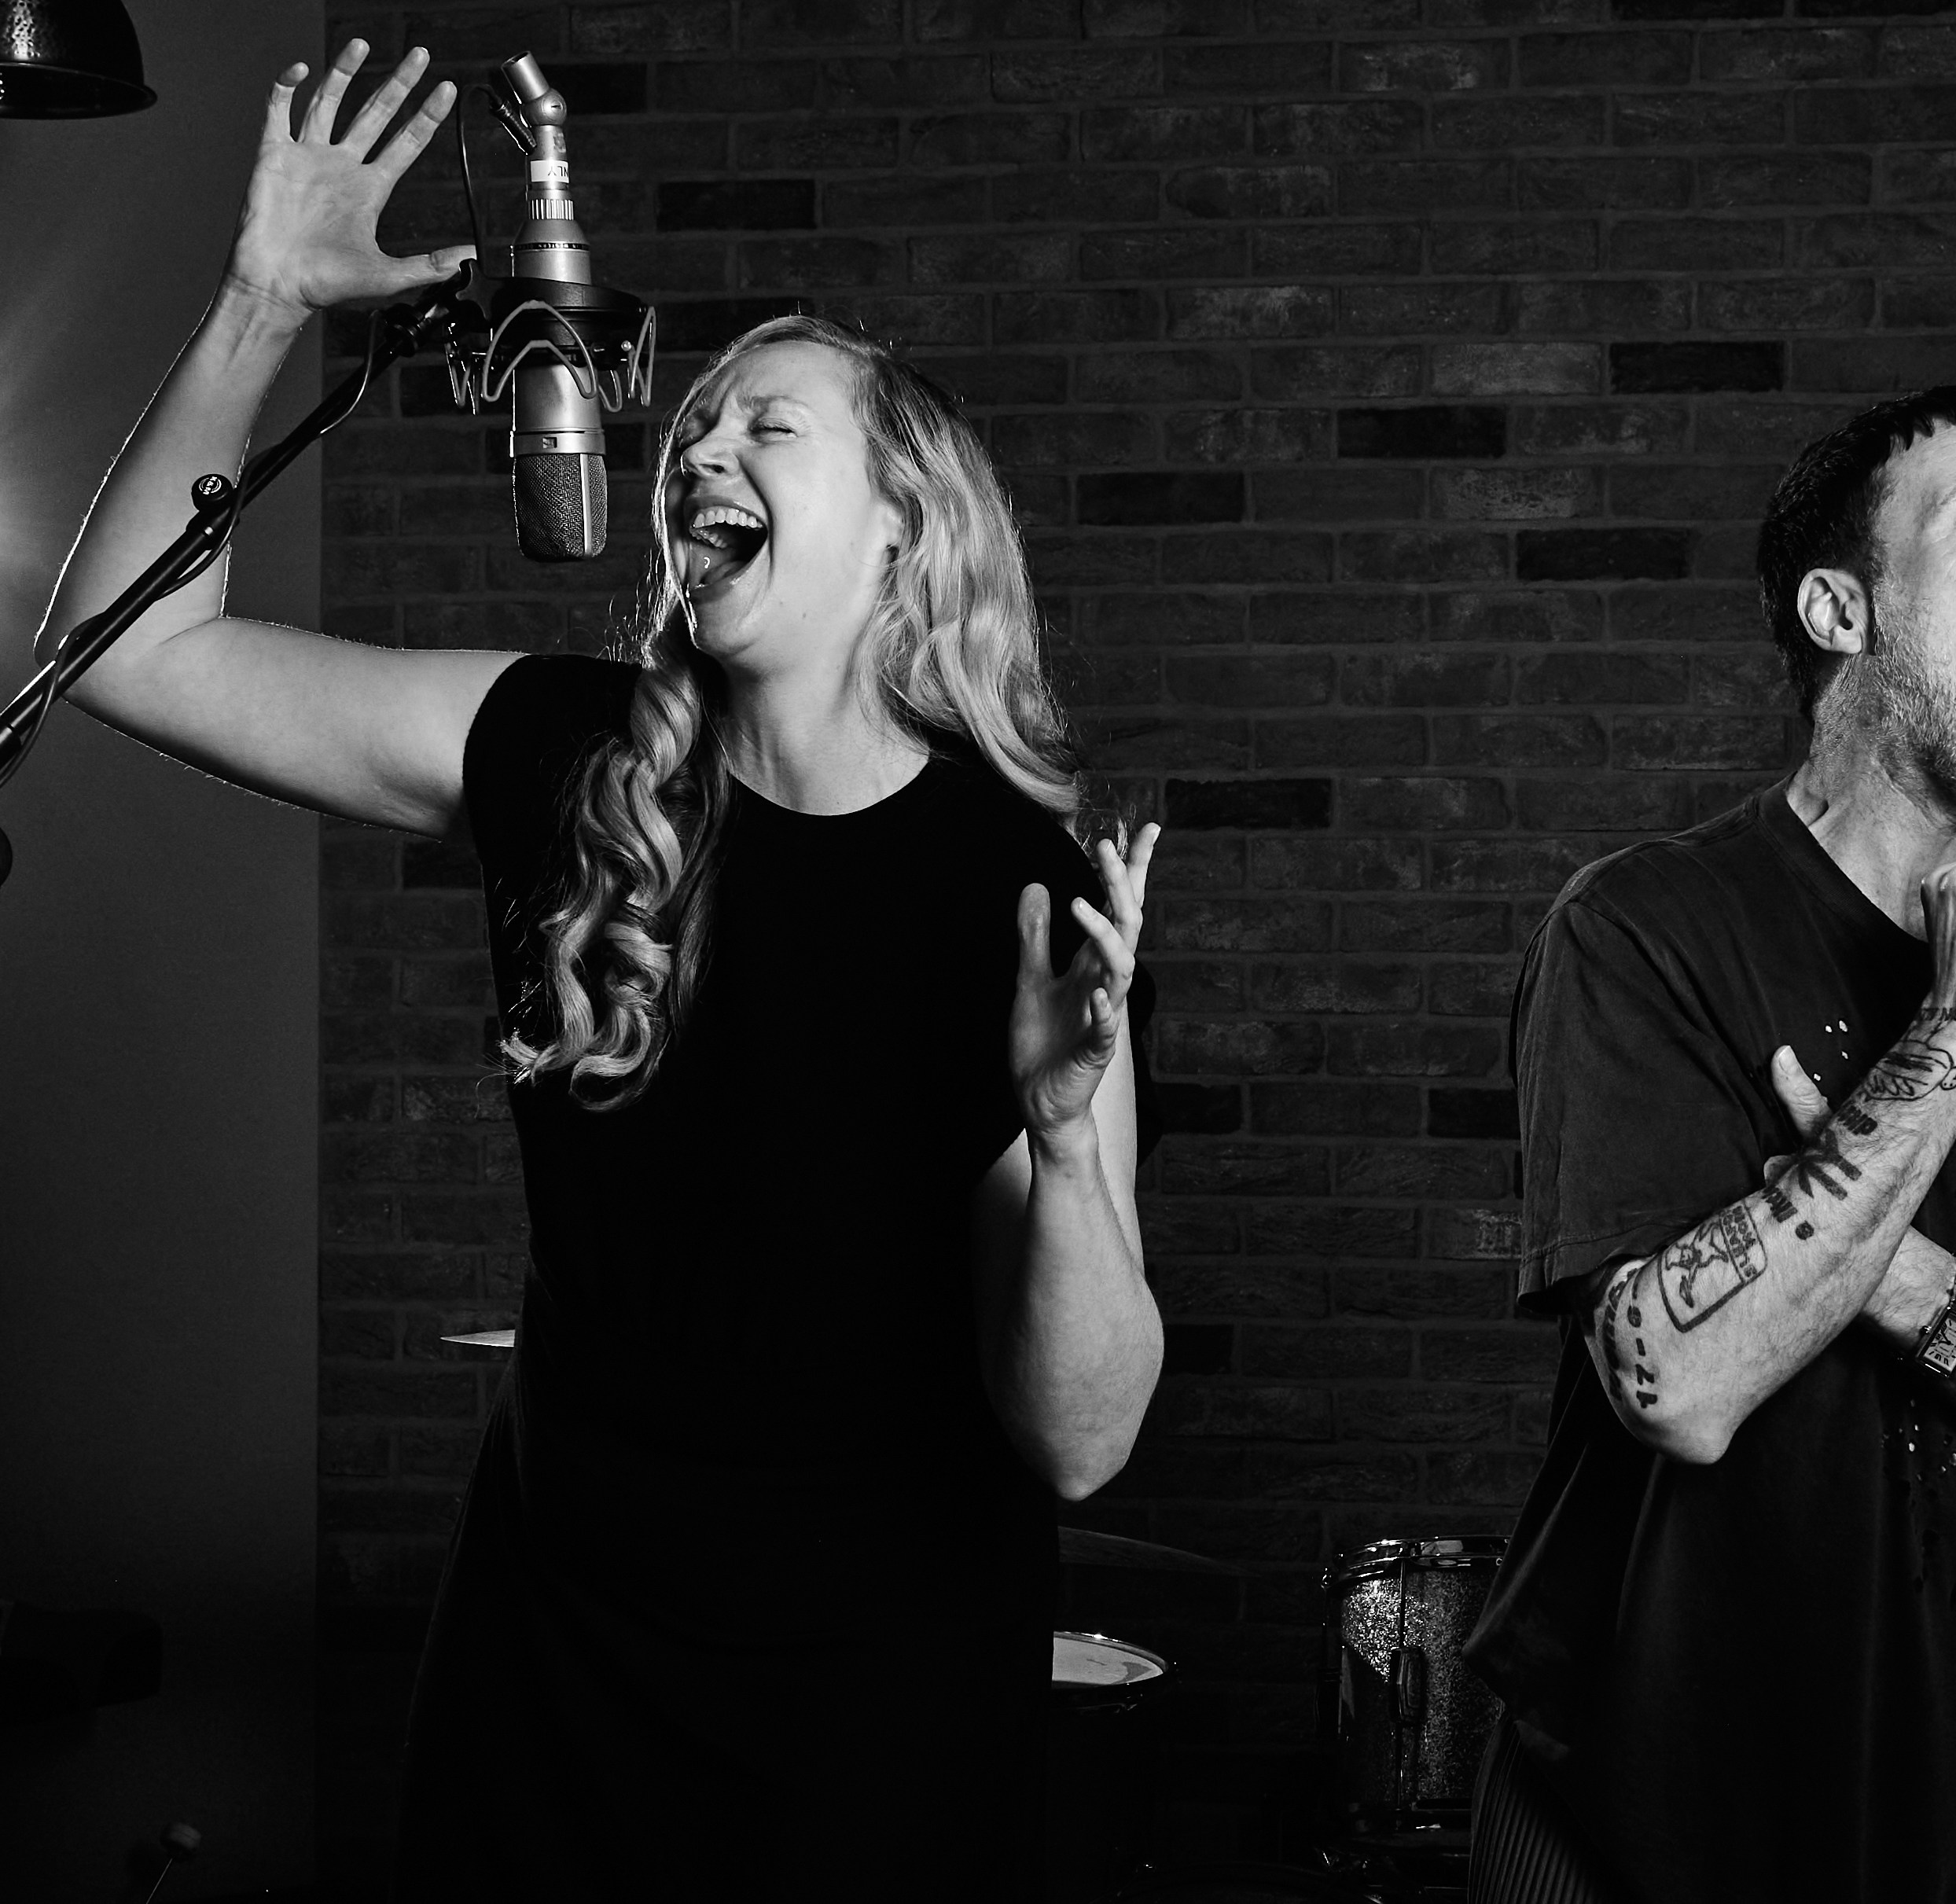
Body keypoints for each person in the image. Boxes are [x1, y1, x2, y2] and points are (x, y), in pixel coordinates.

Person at [40, 43, 1164, 1895]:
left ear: (904, 530)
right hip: (558, 1682)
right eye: (698, 426)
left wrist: (1064, 1139)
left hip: (870, 1724)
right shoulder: (571, 755)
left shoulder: (1021, 891)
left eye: (768, 426)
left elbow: (1081, 1439)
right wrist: (264, 301)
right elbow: (125, 651)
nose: (702, 448)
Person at [1459, 386, 1956, 1903]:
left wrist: (1892, 1276)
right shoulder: (1645, 931)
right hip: (1639, 1829)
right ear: (1840, 610)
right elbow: (1672, 1383)